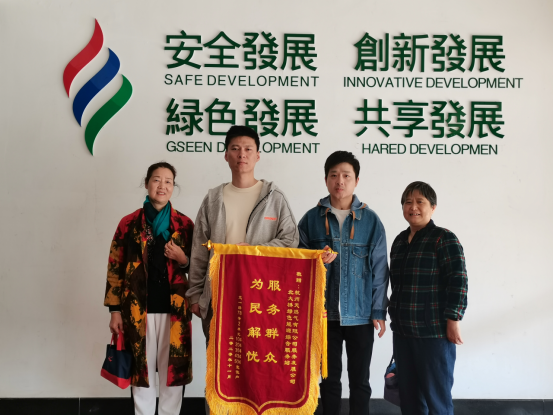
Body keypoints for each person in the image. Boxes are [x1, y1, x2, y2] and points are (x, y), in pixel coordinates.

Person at [185, 125, 299, 414]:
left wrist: (251, 251)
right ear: (226, 155)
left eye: (248, 149)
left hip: (261, 300)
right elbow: (199, 249)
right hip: (220, 297)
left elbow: (290, 240)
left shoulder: (274, 197)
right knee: (220, 370)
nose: (242, 154)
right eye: (235, 149)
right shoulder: (213, 199)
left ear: (258, 155)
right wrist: (195, 293)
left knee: (258, 368)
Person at [298, 151, 389, 415]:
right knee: (328, 381)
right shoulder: (311, 219)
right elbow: (299, 264)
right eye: (334, 175)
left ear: (356, 180)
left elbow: (380, 269)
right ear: (326, 179)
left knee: (360, 381)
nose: (340, 181)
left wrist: (378, 310)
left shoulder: (371, 221)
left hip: (361, 314)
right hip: (324, 315)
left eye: (346, 175)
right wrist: (316, 260)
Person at [104, 162, 194, 415]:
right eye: (156, 180)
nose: (162, 186)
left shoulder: (184, 224)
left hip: (175, 310)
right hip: (137, 311)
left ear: (173, 187)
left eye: (168, 181)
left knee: (172, 373)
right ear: (146, 184)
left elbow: (198, 268)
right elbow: (115, 267)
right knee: (141, 373)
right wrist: (114, 310)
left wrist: (183, 259)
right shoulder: (128, 223)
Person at [388, 181, 468, 415]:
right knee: (409, 400)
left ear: (432, 207)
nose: (413, 207)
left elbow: (458, 280)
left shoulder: (443, 238)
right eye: (408, 202)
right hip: (402, 333)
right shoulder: (399, 241)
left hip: (434, 334)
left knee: (437, 399)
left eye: (420, 202)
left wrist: (454, 319)